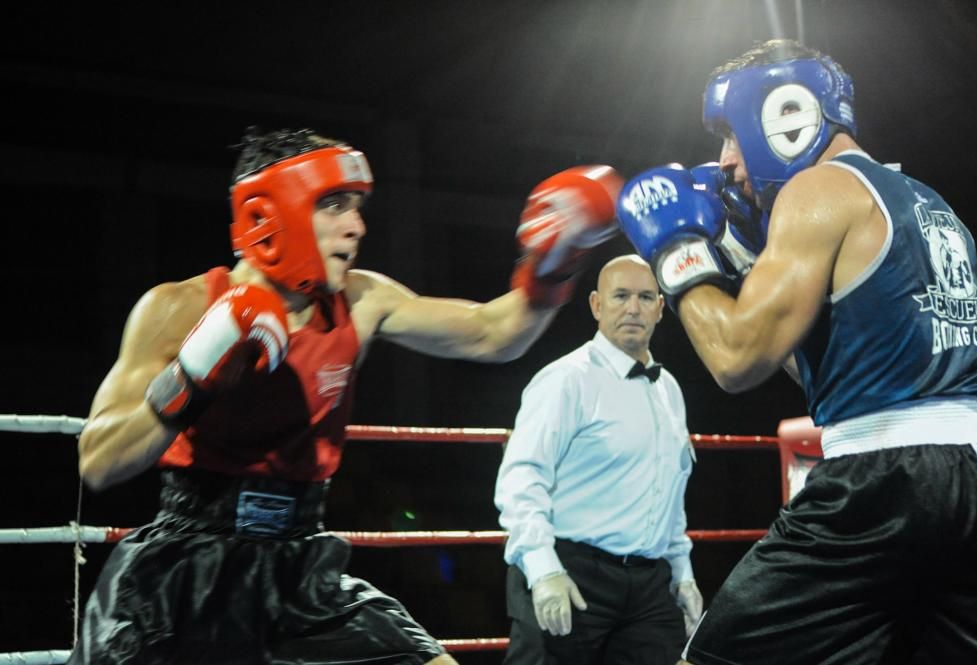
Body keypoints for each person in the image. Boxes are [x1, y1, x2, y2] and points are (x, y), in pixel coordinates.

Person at [70, 127, 624, 665]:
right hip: (184, 571)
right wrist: (195, 372)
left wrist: (553, 263)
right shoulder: (178, 307)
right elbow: (99, 461)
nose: (356, 226)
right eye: (334, 205)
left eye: (358, 207)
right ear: (272, 213)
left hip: (301, 567)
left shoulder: (361, 300)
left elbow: (493, 334)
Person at [616, 39, 977, 664]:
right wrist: (740, 261)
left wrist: (676, 250)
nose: (727, 163)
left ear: (786, 113)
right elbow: (830, 371)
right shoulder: (930, 204)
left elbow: (737, 359)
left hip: (878, 485)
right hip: (975, 480)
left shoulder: (816, 191)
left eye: (733, 136)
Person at [494, 254, 702, 665]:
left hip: (647, 586)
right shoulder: (567, 379)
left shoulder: (669, 390)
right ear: (596, 305)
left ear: (661, 309)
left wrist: (683, 572)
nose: (632, 308)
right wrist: (542, 568)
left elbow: (669, 492)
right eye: (620, 296)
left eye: (645, 297)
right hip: (572, 569)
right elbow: (521, 476)